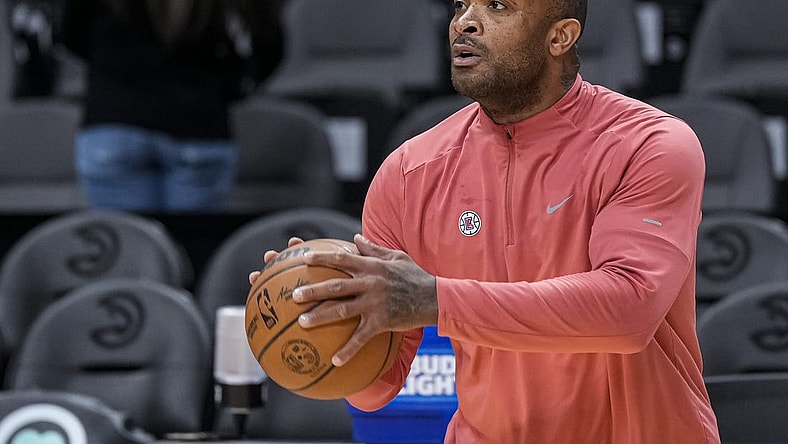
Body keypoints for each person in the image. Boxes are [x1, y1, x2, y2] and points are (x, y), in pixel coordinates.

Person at [251, 0, 721, 442]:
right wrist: (321, 314)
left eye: (497, 5)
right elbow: (377, 390)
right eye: (461, 5)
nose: (464, 22)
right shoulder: (408, 174)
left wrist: (435, 299)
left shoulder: (650, 145)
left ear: (560, 36)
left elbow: (629, 310)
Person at [59, 0, 283, 212]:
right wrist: (227, 88)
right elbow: (266, 42)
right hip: (198, 125)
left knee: (129, 247)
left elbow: (70, 33)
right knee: (194, 247)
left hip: (114, 123)